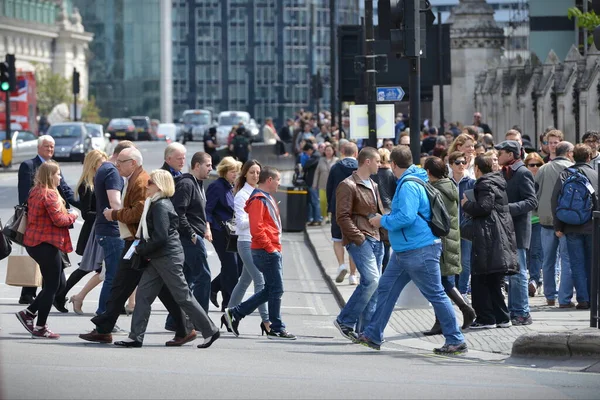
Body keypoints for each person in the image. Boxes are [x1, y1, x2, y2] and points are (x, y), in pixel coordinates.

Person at [358, 146, 467, 354]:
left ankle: (455, 339)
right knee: (386, 290)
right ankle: (373, 334)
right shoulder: (412, 180)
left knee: (436, 294)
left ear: (393, 164)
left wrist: (383, 220)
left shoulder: (408, 185)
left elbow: (406, 217)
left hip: (419, 250)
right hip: (405, 251)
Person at [79, 148, 192, 345]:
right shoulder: (135, 178)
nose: (117, 164)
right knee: (131, 286)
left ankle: (105, 328)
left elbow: (138, 213)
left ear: (133, 162)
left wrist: (114, 215)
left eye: (121, 161)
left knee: (122, 285)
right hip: (136, 241)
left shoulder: (140, 181)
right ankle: (183, 329)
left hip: (137, 242)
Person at [114, 170, 220, 348]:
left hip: (167, 257)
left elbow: (161, 237)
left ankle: (210, 330)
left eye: (150, 182)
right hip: (159, 257)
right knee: (143, 296)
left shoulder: (161, 205)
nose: (147, 186)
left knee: (183, 296)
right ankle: (135, 337)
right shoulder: (155, 203)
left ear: (159, 185)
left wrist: (141, 249)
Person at [223, 167, 297, 340]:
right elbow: (256, 229)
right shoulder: (258, 199)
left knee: (269, 290)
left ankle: (235, 314)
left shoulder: (266, 198)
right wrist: (270, 248)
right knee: (276, 290)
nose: (280, 183)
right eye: (278, 179)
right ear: (269, 180)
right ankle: (276, 328)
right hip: (265, 250)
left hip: (270, 249)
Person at [15, 161, 79, 338]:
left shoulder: (35, 191)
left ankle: (29, 313)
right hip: (45, 244)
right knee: (52, 286)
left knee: (57, 284)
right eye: (58, 174)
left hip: (36, 243)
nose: (60, 177)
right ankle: (40, 327)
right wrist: (72, 215)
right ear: (50, 176)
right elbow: (60, 220)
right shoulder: (49, 194)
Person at [17, 135, 76, 306]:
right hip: (38, 221)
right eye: (47, 147)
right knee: (46, 263)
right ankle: (33, 296)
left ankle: (46, 296)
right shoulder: (28, 165)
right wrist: (32, 216)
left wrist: (83, 206)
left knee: (50, 266)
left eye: (52, 147)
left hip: (53, 224)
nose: (50, 150)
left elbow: (65, 190)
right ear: (38, 148)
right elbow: (24, 195)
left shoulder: (54, 167)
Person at [333, 147, 386, 341]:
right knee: (371, 280)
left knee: (373, 287)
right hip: (361, 238)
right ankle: (345, 320)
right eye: (378, 161)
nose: (380, 164)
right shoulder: (347, 185)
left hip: (376, 238)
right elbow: (342, 217)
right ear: (367, 161)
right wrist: (358, 238)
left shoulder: (373, 184)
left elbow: (377, 213)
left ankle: (366, 333)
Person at [462, 155, 518, 329]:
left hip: (487, 237)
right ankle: (502, 317)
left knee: (480, 280)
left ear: (478, 169)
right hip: (497, 235)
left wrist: (466, 205)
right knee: (493, 280)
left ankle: (486, 318)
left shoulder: (484, 183)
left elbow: (484, 207)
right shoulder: (497, 182)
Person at [422, 157, 475, 335]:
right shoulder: (449, 186)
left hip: (441, 240)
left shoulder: (435, 190)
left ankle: (463, 310)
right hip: (450, 238)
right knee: (443, 282)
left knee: (440, 283)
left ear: (429, 172)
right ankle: (451, 316)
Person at [55, 150, 108, 314]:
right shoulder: (87, 184)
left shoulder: (102, 180)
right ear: (93, 164)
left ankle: (68, 296)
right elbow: (86, 213)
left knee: (100, 269)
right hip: (92, 231)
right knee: (89, 268)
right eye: (101, 163)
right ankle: (62, 295)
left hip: (100, 230)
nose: (105, 166)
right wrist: (105, 214)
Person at [495, 140, 538, 325]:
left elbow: (531, 201)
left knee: (519, 272)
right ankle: (515, 311)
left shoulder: (523, 173)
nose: (498, 155)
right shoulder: (505, 172)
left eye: (501, 152)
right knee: (512, 272)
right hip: (507, 228)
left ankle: (523, 312)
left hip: (518, 230)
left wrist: (507, 208)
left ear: (511, 155)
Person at [551, 144, 599, 310]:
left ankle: (583, 299)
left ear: (572, 157)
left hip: (570, 226)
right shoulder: (595, 175)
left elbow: (555, 200)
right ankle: (594, 299)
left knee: (576, 264)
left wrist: (558, 226)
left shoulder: (565, 174)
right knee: (592, 263)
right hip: (592, 226)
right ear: (588, 157)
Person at [228, 160, 270, 334]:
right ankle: (267, 322)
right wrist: (258, 217)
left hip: (258, 241)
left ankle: (229, 314)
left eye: (258, 172)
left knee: (245, 281)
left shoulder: (259, 193)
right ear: (245, 174)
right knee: (260, 281)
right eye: (252, 172)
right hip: (246, 242)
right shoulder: (241, 195)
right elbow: (241, 223)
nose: (255, 176)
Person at [92, 141, 134, 316]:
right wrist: (128, 221)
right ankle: (104, 314)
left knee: (113, 275)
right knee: (113, 277)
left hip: (106, 229)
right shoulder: (112, 171)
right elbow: (115, 202)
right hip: (111, 230)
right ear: (122, 155)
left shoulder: (104, 168)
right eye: (130, 159)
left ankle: (105, 315)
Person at [170, 152, 213, 313]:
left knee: (188, 280)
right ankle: (201, 320)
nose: (211, 168)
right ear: (196, 166)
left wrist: (205, 228)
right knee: (203, 276)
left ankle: (175, 321)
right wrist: (192, 234)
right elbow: (178, 213)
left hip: (194, 236)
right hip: (189, 239)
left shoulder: (198, 183)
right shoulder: (187, 184)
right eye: (208, 165)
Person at [534, 140, 573, 306]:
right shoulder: (572, 169)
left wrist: (539, 211)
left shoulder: (543, 168)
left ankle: (550, 296)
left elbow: (536, 192)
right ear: (569, 153)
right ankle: (564, 299)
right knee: (566, 261)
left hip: (546, 220)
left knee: (548, 260)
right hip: (566, 221)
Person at [206, 157, 242, 311]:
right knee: (231, 266)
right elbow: (207, 209)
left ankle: (213, 287)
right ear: (224, 171)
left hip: (231, 232)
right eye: (232, 171)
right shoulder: (217, 186)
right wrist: (208, 228)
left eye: (236, 171)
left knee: (239, 265)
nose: (235, 174)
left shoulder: (231, 186)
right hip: (219, 232)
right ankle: (228, 303)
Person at [326, 142, 360, 284]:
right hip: (356, 209)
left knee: (337, 239)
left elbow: (329, 189)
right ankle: (353, 275)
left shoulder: (335, 168)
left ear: (342, 152)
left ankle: (341, 265)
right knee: (353, 241)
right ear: (356, 153)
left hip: (338, 208)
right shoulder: (360, 168)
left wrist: (330, 206)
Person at [448, 151, 475, 300]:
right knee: (451, 261)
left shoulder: (471, 182)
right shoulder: (446, 183)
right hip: (450, 228)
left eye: (463, 162)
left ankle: (463, 291)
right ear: (451, 165)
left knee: (465, 261)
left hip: (466, 227)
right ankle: (452, 292)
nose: (461, 165)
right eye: (457, 163)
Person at [371, 148, 397, 272]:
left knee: (376, 240)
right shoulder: (391, 173)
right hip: (388, 209)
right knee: (386, 241)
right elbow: (394, 192)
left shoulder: (373, 174)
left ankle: (377, 268)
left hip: (374, 209)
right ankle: (385, 268)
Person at [524, 152, 545, 297]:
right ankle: (528, 280)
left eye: (538, 165)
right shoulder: (522, 179)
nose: (535, 167)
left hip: (538, 221)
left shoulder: (543, 179)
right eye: (532, 165)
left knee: (536, 253)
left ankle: (534, 280)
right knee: (525, 253)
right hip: (524, 221)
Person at [313, 143, 338, 223]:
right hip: (322, 184)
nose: (328, 152)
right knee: (322, 201)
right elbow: (317, 172)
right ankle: (324, 216)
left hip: (333, 185)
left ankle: (330, 215)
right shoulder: (321, 160)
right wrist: (314, 183)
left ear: (333, 151)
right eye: (327, 150)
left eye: (330, 150)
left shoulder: (337, 160)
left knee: (331, 201)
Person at [300, 142, 323, 226]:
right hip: (312, 181)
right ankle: (314, 218)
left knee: (314, 201)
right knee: (312, 201)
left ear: (310, 150)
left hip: (313, 182)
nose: (307, 154)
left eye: (306, 152)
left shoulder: (316, 156)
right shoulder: (315, 156)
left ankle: (317, 218)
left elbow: (306, 165)